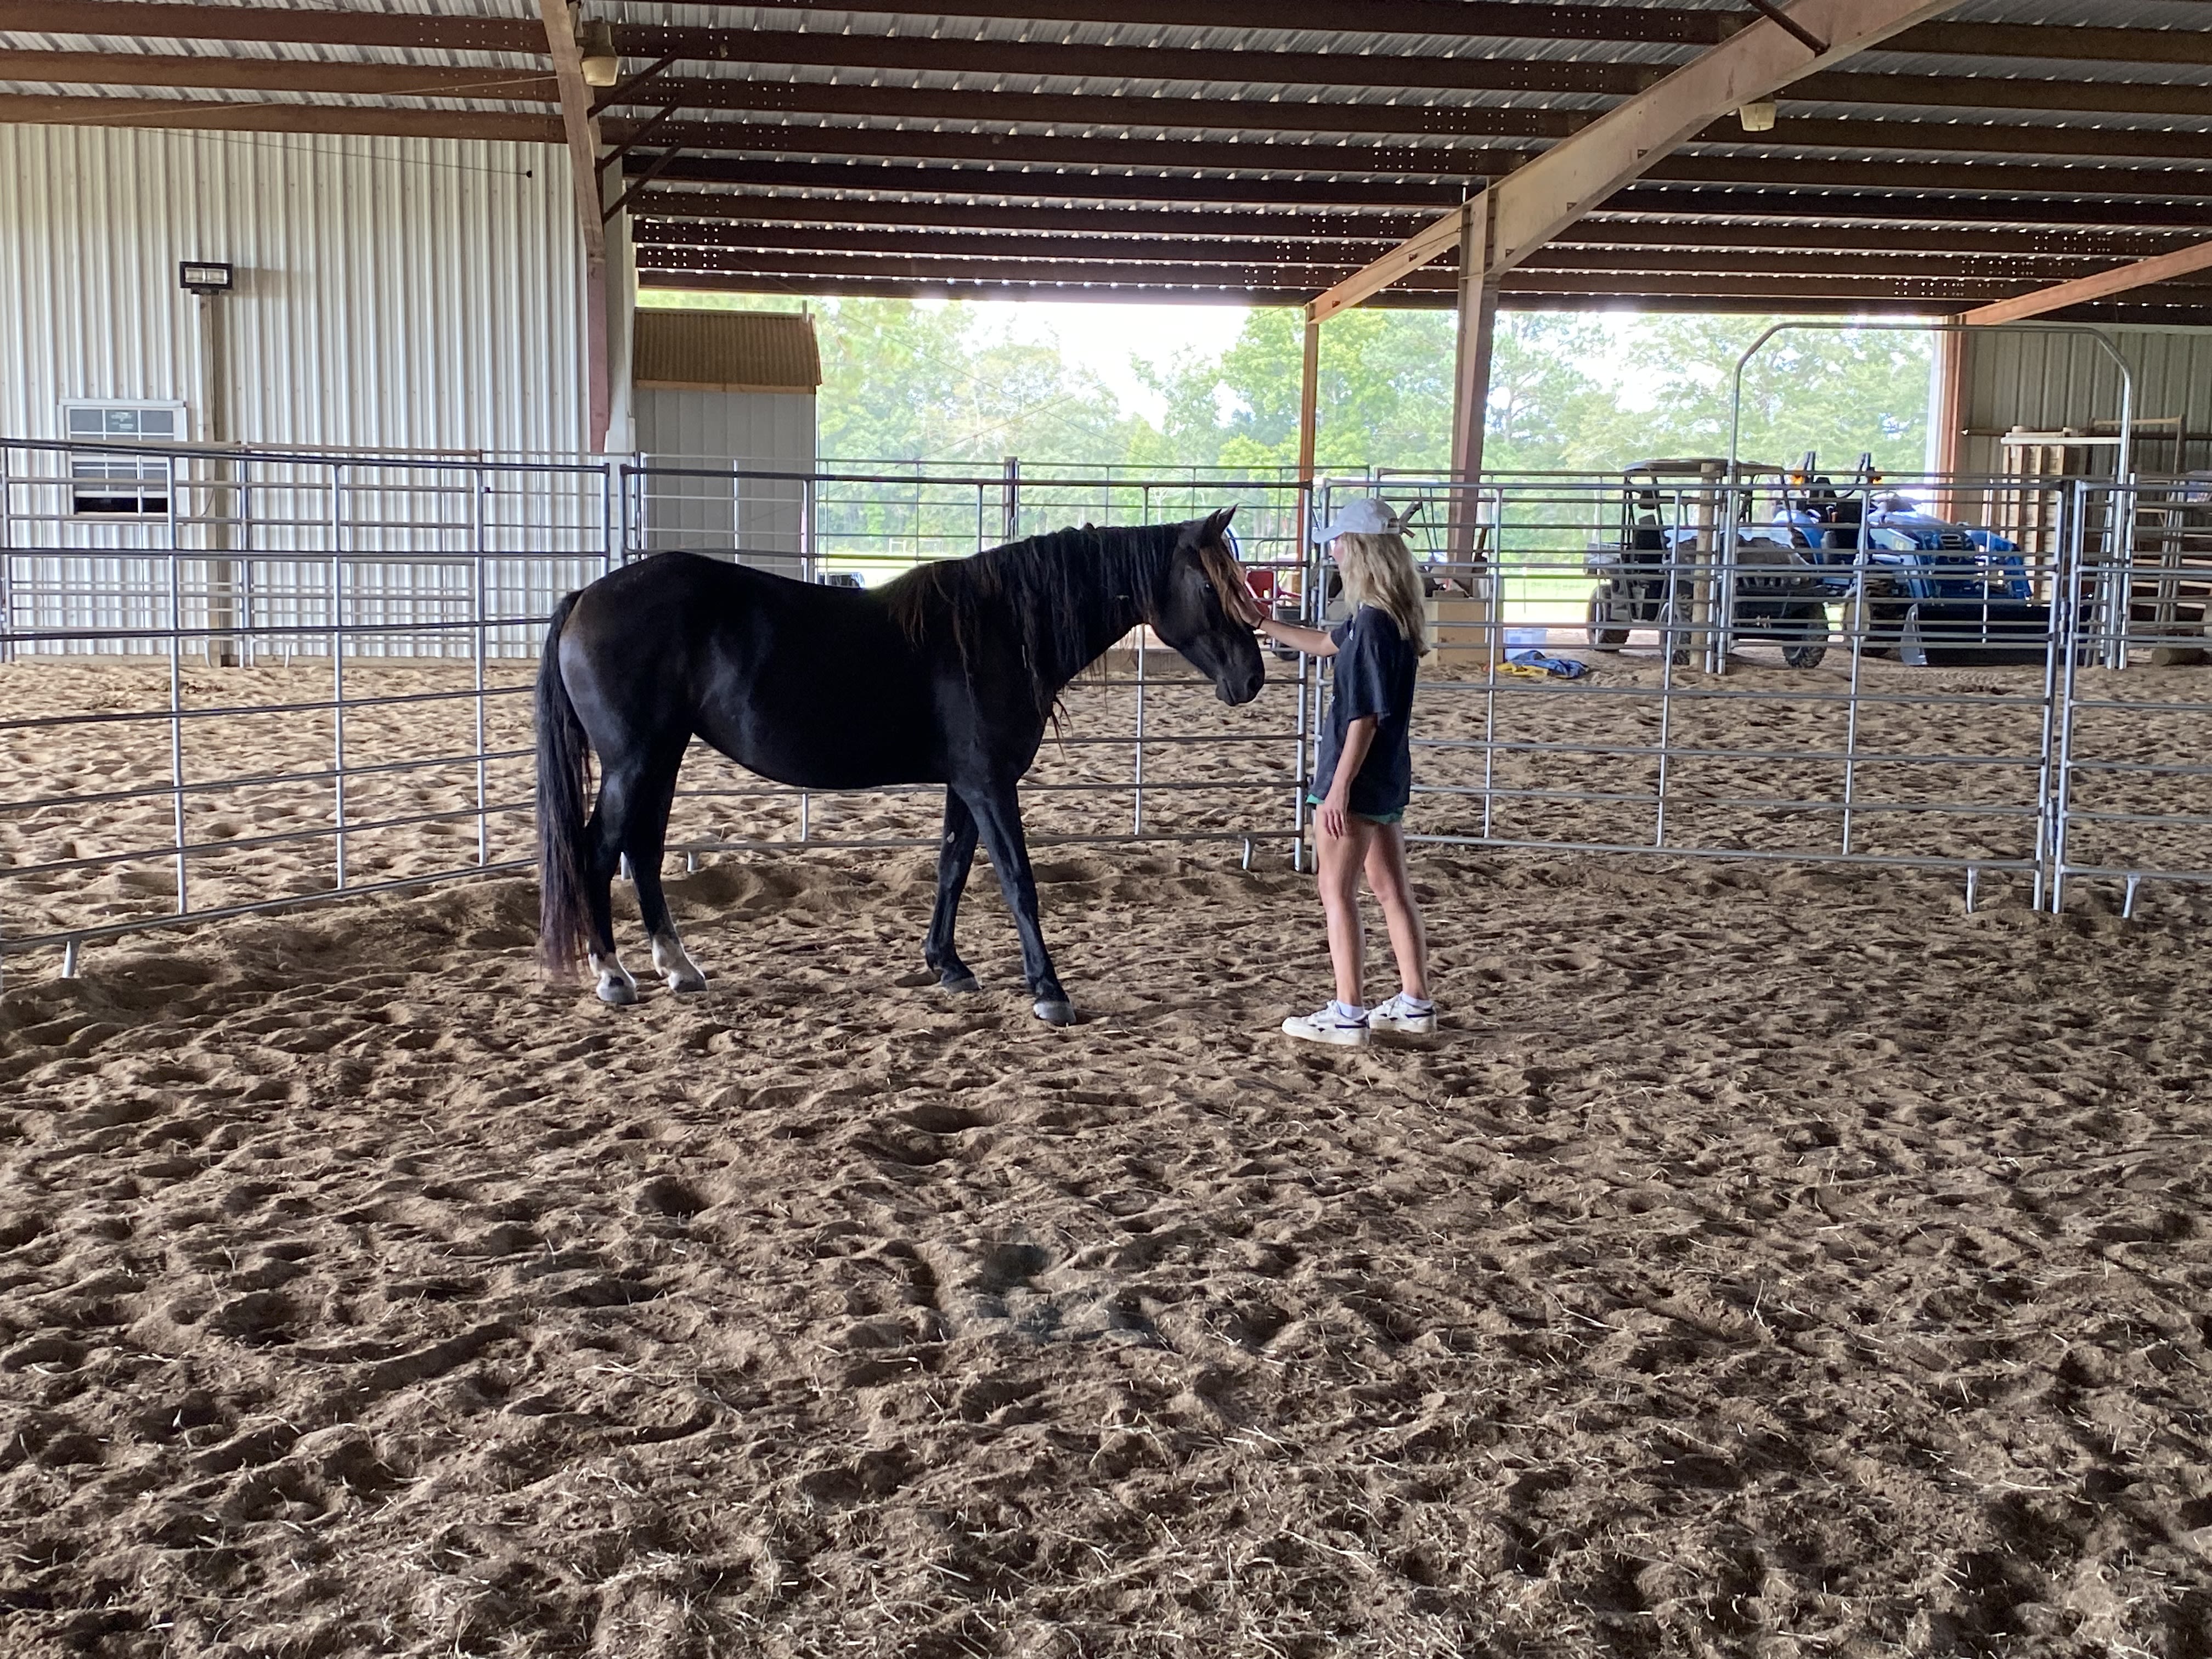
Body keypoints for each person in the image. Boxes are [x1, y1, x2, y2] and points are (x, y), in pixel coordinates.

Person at [1255, 498, 1435, 1047]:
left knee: (1335, 891)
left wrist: (1335, 791)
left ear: (1358, 549)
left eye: (1338, 542)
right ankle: (1414, 1002)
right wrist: (1261, 621)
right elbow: (1323, 645)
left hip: (1353, 778)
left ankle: (1348, 1011)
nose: (1332, 549)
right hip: (1385, 777)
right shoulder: (1388, 619)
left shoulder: (1373, 623)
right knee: (1391, 890)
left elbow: (1362, 717)